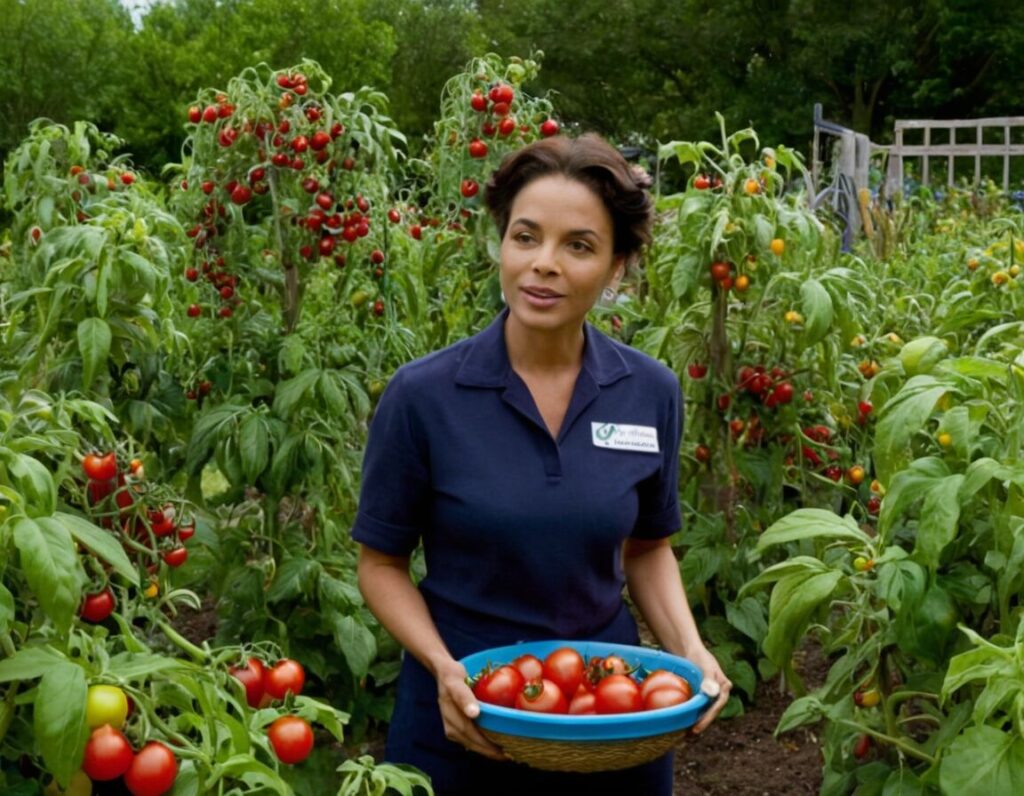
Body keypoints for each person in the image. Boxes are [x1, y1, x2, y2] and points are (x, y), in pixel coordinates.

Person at [352, 133, 731, 795]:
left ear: (616, 267)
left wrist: (691, 650)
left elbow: (647, 549)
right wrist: (443, 667)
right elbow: (381, 564)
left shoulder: (650, 391)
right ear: (502, 245)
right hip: (464, 711)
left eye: (578, 245)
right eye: (525, 237)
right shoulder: (424, 396)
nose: (543, 264)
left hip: (607, 711)